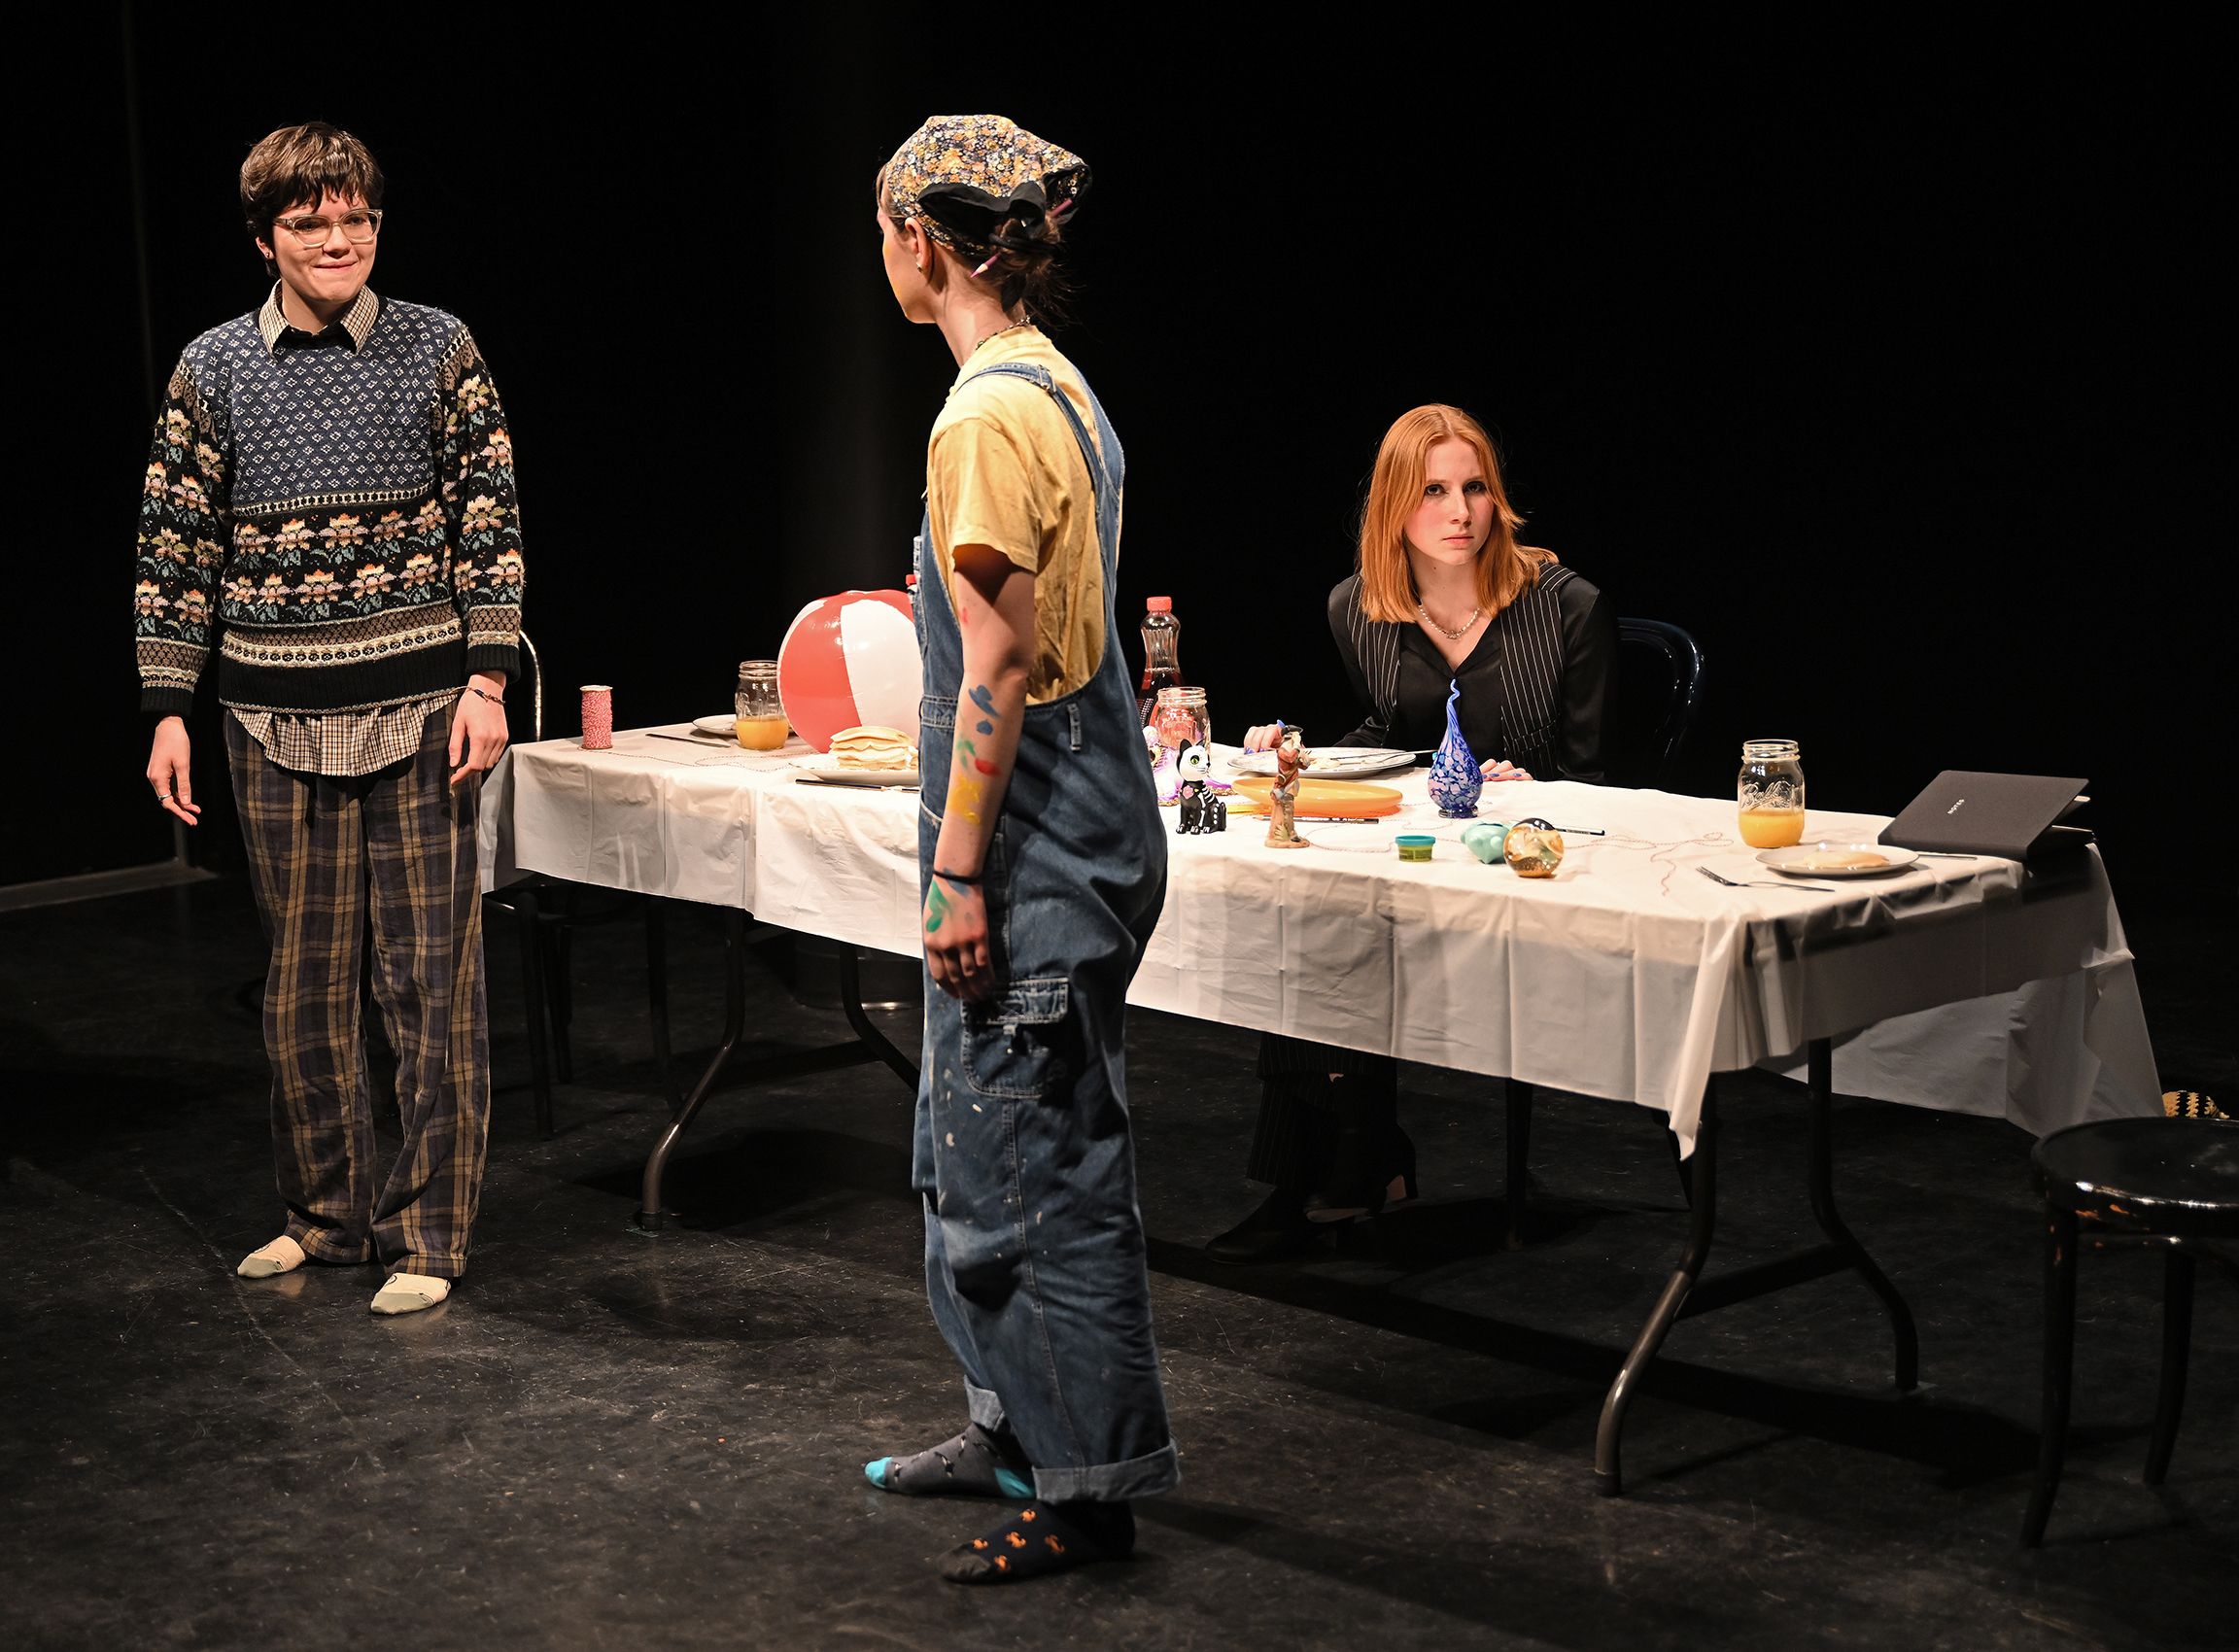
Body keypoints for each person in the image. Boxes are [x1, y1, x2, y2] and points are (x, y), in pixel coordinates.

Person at [856, 115, 1175, 1585]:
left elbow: (997, 667)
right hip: (1076, 818)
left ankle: (1083, 1488)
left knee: (1033, 1176)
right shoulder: (1054, 382)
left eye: (883, 231)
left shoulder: (986, 414)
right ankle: (1009, 1423)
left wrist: (958, 874)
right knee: (969, 1142)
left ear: (923, 243)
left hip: (1037, 838)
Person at [135, 124, 523, 1315]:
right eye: (310, 223)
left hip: (422, 711)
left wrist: (489, 681)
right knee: (303, 989)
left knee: (429, 984)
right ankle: (326, 1215)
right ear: (266, 239)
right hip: (270, 716)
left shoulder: (438, 345)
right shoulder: (212, 367)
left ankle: (430, 1234)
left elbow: (490, 517)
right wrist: (167, 706)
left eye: (356, 218)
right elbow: (174, 544)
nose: (339, 239)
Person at [1208, 404, 1616, 1263]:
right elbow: (1389, 735)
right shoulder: (1356, 608)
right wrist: (1295, 752)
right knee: (1306, 910)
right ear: (1395, 504)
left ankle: (1343, 1162)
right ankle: (1347, 1151)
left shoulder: (1567, 606)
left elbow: (1593, 775)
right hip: (1422, 853)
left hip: (1526, 862)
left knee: (1339, 923)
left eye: (1475, 488)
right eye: (1433, 491)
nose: (1460, 511)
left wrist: (1537, 785)